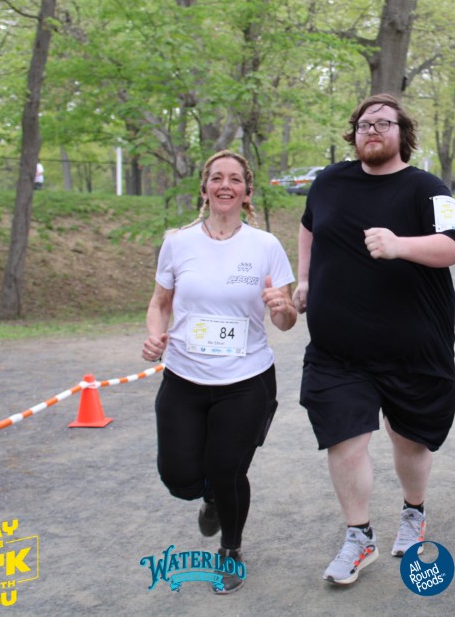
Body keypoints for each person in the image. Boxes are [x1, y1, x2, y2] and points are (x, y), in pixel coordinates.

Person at [293, 94, 455, 585]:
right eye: (365, 124)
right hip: (338, 349)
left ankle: (414, 511)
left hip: (412, 345)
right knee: (344, 436)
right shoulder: (329, 181)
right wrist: (303, 279)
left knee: (408, 440)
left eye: (384, 123)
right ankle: (359, 536)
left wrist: (398, 245)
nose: (373, 130)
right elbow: (308, 228)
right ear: (354, 133)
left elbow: (454, 246)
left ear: (401, 133)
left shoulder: (427, 188)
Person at [142, 149, 297, 594]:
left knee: (227, 468)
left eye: (234, 179)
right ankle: (208, 496)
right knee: (179, 478)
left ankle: (230, 550)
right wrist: (154, 336)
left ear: (247, 191)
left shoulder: (265, 246)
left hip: (246, 381)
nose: (225, 185)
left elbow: (286, 321)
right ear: (204, 188)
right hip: (184, 377)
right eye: (216, 178)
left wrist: (282, 307)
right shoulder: (178, 242)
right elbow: (160, 303)